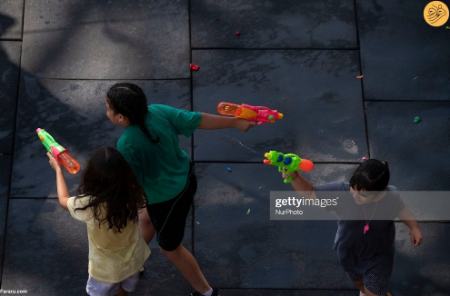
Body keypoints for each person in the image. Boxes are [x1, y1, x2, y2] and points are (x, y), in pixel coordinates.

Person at [105, 82, 255, 296]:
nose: (107, 111)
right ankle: (134, 265)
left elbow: (131, 182)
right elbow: (198, 119)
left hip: (167, 199)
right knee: (146, 220)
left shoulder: (127, 143)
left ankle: (206, 292)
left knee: (170, 248)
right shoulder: (157, 111)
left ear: (121, 117)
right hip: (185, 178)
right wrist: (234, 122)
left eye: (108, 107)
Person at [284, 159, 422, 296]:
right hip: (349, 253)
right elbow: (310, 194)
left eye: (362, 194)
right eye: (353, 187)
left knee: (375, 289)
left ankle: (374, 291)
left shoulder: (391, 196)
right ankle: (364, 289)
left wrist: (414, 227)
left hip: (379, 255)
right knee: (358, 281)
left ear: (380, 194)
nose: (354, 195)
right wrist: (294, 176)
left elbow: (401, 209)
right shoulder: (343, 194)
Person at [47, 147, 150, 296]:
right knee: (125, 288)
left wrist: (58, 170)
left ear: (91, 178)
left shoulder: (90, 205)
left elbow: (63, 200)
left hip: (105, 269)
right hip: (133, 259)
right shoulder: (133, 193)